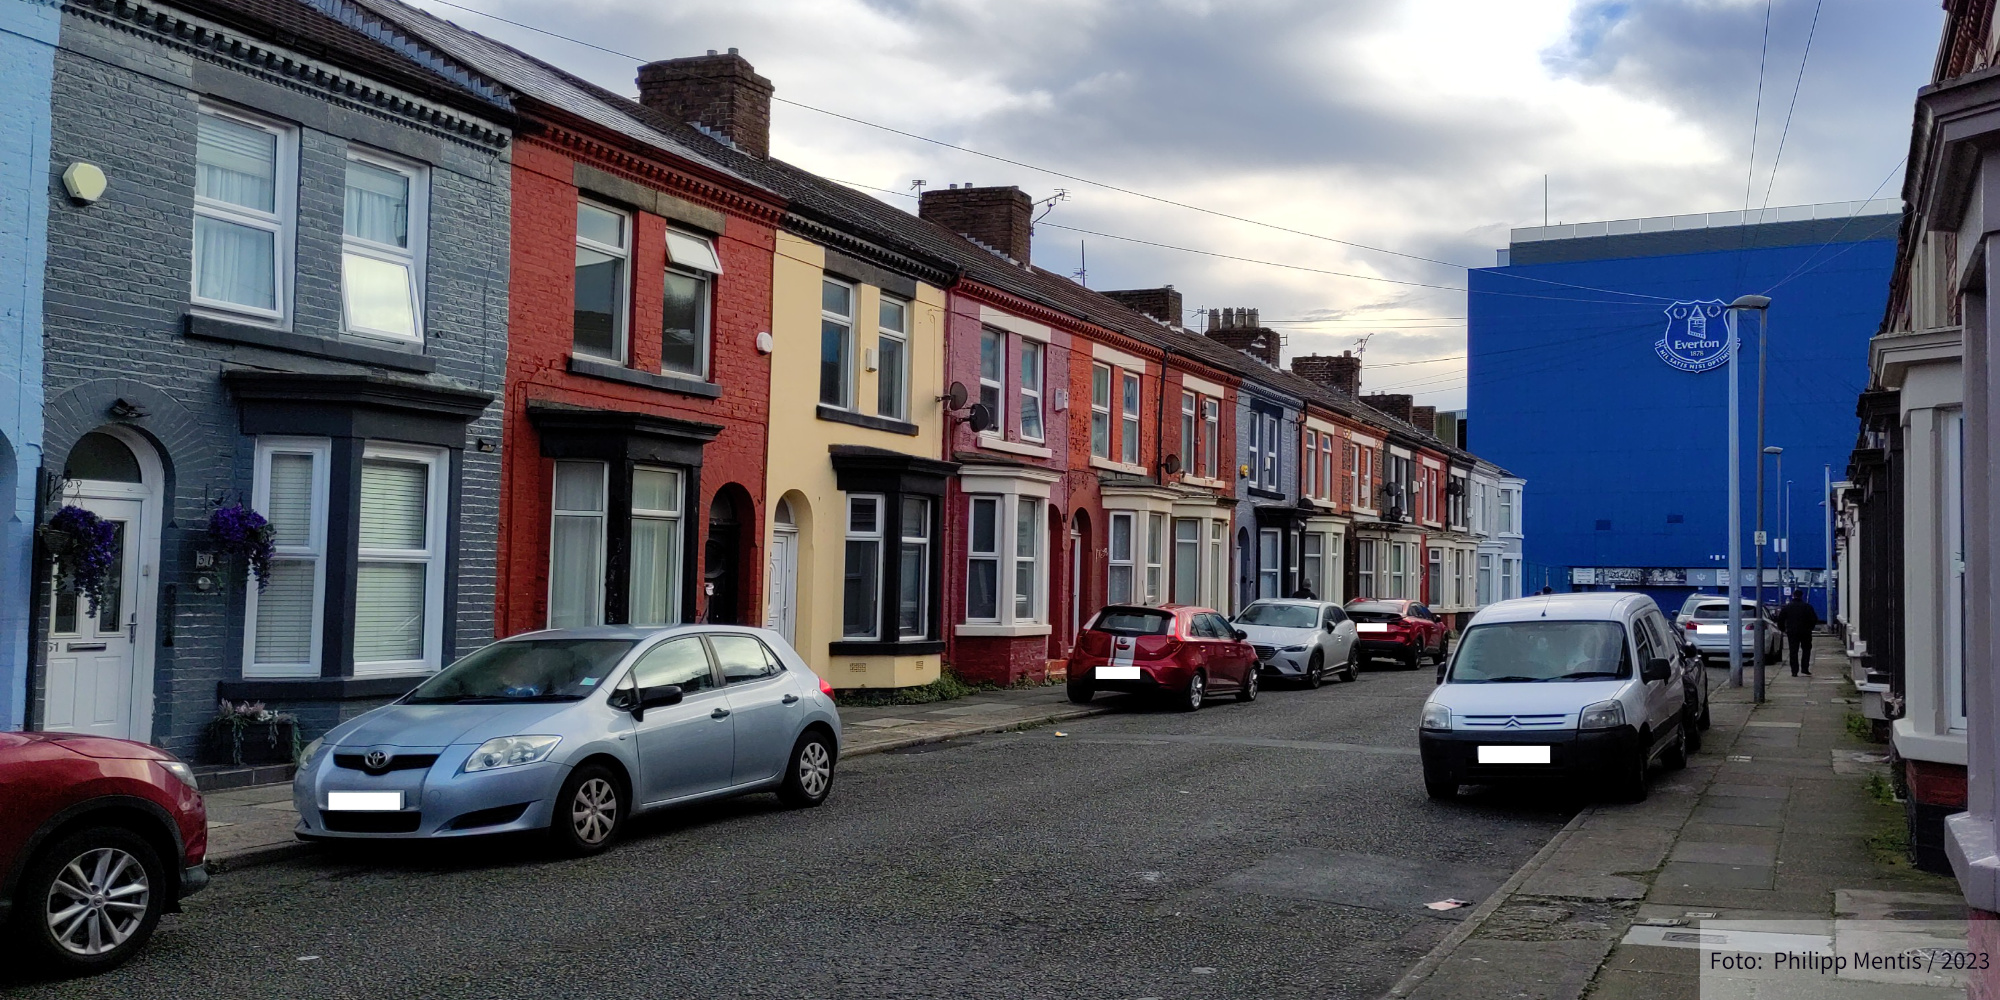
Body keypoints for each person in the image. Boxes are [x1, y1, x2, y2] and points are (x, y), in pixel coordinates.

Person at [1775, 589, 1820, 677]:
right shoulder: (1807, 607)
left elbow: (1780, 619)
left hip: (1792, 632)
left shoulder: (1787, 607)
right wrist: (1810, 628)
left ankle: (1794, 671)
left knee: (1793, 651)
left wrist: (1783, 629)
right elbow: (1814, 619)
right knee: (1806, 650)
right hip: (1805, 632)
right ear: (1801, 596)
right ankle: (1805, 668)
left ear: (1793, 595)